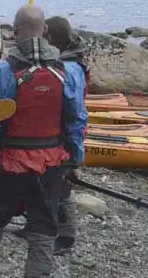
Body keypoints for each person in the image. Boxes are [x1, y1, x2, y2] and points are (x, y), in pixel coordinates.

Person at [0, 5, 87, 278]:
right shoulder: (70, 72)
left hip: (9, 161)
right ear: (46, 31)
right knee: (44, 223)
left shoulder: (2, 71)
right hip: (51, 162)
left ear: (15, 32)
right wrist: (75, 160)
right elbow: (77, 121)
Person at [11, 16, 90, 255]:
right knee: (37, 182)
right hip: (53, 130)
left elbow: (75, 112)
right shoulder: (67, 61)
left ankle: (66, 236)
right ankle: (33, 223)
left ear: (50, 37)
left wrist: (75, 153)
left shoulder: (70, 68)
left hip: (63, 133)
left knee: (62, 186)